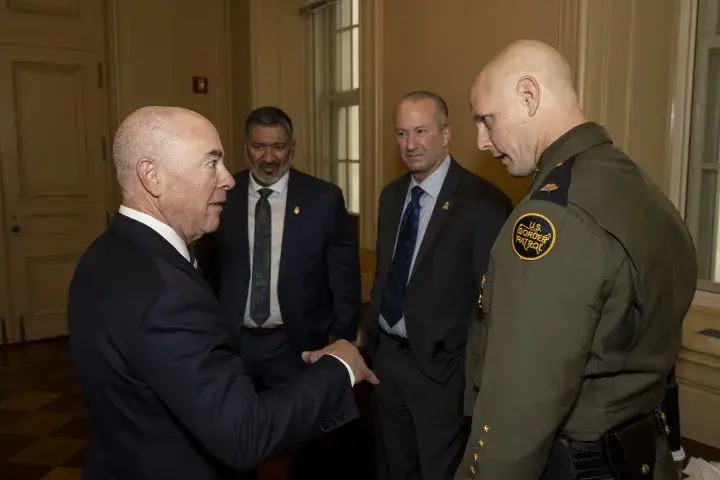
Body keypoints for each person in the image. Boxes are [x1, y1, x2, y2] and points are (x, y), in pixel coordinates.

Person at [67, 106, 377, 480]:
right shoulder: (167, 295)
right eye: (211, 163)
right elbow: (246, 434)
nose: (229, 179)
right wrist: (340, 366)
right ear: (152, 176)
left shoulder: (103, 254)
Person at [457, 39, 697, 480]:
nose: (482, 142)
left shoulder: (555, 217)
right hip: (643, 454)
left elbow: (520, 405)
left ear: (528, 96)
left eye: (486, 120)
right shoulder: (646, 192)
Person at [194, 105, 361, 478]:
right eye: (259, 146)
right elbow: (207, 269)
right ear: (245, 147)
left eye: (279, 147)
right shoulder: (223, 195)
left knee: (309, 444)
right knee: (233, 440)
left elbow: (344, 275)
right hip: (234, 344)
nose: (269, 158)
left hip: (298, 344)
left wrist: (342, 336)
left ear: (292, 148)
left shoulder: (323, 199)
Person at [364, 91, 512, 480]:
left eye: (420, 131)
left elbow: (495, 305)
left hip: (443, 373)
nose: (409, 145)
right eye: (400, 134)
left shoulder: (484, 203)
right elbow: (385, 271)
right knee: (394, 468)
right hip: (387, 362)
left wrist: (473, 382)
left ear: (446, 134)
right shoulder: (392, 195)